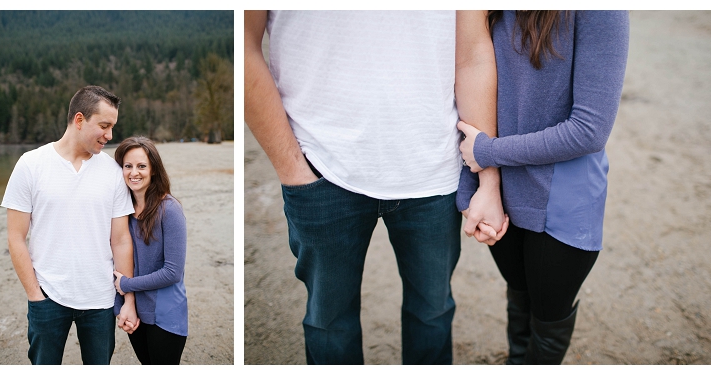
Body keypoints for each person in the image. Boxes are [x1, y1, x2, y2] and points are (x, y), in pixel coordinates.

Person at [244, 10, 505, 364]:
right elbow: (243, 41)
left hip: (433, 170)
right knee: (329, 324)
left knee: (432, 312)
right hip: (320, 168)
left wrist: (488, 177)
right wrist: (292, 169)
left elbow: (473, 52)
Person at [457, 11, 630, 364]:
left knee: (547, 315)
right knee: (520, 298)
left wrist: (489, 153)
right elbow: (470, 87)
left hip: (563, 200)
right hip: (501, 193)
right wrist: (473, 185)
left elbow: (589, 130)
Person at [1, 85, 140, 365]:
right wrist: (34, 295)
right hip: (47, 297)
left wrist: (127, 298)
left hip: (100, 300)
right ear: (79, 120)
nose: (110, 135)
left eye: (113, 126)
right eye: (104, 125)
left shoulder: (113, 174)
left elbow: (121, 239)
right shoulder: (31, 165)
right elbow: (16, 237)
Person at [112, 136, 189, 365]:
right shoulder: (122, 212)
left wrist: (126, 285)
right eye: (128, 166)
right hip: (135, 312)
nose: (134, 172)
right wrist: (123, 306)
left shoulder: (170, 210)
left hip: (166, 316)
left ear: (153, 169)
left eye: (141, 166)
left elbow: (172, 272)